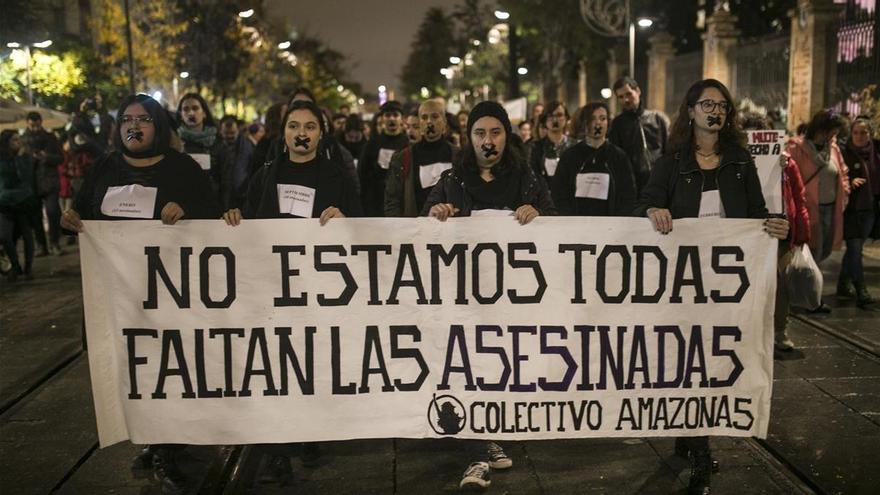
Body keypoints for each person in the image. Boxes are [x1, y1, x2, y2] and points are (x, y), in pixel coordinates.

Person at [59, 94, 220, 493]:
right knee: (135, 368)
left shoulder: (182, 168)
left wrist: (184, 209)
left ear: (159, 126)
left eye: (144, 119)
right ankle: (154, 439)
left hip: (171, 294)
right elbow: (82, 212)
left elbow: (214, 212)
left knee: (169, 367)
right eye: (127, 119)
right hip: (120, 295)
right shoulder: (105, 167)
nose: (135, 126)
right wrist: (71, 219)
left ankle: (170, 446)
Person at [635, 79, 789, 495]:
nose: (715, 111)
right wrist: (653, 210)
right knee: (686, 360)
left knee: (711, 362)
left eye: (722, 105)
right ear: (690, 112)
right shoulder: (671, 163)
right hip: (681, 284)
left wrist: (775, 226)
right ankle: (696, 447)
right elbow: (640, 206)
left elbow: (757, 216)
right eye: (707, 104)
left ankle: (694, 441)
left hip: (724, 287)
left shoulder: (740, 162)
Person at [423, 100, 553, 490]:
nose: (488, 140)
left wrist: (538, 214)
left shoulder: (527, 178)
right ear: (469, 138)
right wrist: (438, 213)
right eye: (480, 133)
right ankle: (477, 453)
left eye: (495, 132)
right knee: (466, 366)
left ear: (506, 136)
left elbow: (556, 223)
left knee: (500, 364)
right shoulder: (452, 179)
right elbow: (425, 221)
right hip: (464, 295)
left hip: (511, 298)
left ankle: (492, 433)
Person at [741, 113, 810, 353]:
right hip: (747, 230)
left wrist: (801, 234)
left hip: (780, 229)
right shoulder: (733, 161)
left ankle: (780, 330)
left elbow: (799, 199)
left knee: (779, 283)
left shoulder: (787, 163)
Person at [787, 110, 850, 313]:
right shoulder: (797, 148)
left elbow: (842, 172)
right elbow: (790, 177)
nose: (833, 137)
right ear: (820, 129)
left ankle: (807, 294)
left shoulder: (833, 149)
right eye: (830, 132)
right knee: (810, 253)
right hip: (808, 209)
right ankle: (810, 298)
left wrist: (845, 190)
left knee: (824, 251)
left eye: (835, 133)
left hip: (831, 209)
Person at [551, 101, 636, 216]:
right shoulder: (570, 156)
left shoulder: (619, 157)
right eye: (592, 118)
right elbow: (559, 193)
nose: (597, 123)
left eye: (603, 118)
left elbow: (628, 195)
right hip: (576, 225)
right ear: (584, 122)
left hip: (610, 226)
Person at [385, 99, 458, 217]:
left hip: (452, 226)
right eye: (424, 117)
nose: (429, 121)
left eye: (435, 117)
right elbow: (392, 200)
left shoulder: (458, 155)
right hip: (416, 229)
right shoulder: (403, 158)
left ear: (444, 122)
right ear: (419, 123)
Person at [839, 117, 878, 307]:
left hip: (870, 208)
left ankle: (842, 283)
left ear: (870, 133)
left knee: (856, 249)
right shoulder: (844, 152)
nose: (859, 136)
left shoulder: (876, 152)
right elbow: (838, 175)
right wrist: (850, 181)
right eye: (855, 132)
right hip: (852, 208)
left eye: (863, 132)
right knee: (855, 249)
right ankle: (861, 288)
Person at [609, 76, 670, 194]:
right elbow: (616, 156)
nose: (625, 100)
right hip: (632, 185)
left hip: (659, 182)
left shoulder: (657, 119)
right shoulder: (618, 124)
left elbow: (667, 150)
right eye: (620, 97)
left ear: (638, 91)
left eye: (628, 94)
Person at [177, 92, 233, 208]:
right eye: (186, 109)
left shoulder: (218, 144)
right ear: (180, 115)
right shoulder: (174, 143)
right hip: (181, 208)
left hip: (212, 206)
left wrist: (225, 208)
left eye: (195, 108)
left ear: (204, 113)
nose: (191, 113)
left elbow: (226, 181)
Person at [21, 111, 64, 255]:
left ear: (41, 123)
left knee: (53, 212)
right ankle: (41, 245)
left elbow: (60, 158)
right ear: (27, 123)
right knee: (35, 216)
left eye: (37, 125)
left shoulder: (50, 137)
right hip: (32, 183)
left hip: (50, 181)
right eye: (32, 125)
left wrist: (47, 157)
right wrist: (31, 158)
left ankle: (54, 243)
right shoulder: (22, 140)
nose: (34, 128)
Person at [359, 101, 409, 217]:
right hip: (375, 203)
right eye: (387, 115)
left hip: (401, 203)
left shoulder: (408, 144)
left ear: (402, 119)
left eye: (395, 115)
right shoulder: (372, 144)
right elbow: (362, 174)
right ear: (382, 119)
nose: (392, 119)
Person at [1, 130, 37, 282]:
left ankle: (28, 268)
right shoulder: (2, 159)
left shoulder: (24, 157)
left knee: (27, 236)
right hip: (5, 202)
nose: (18, 142)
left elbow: (26, 176)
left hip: (23, 201)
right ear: (6, 143)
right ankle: (15, 266)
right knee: (5, 236)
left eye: (18, 139)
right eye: (14, 140)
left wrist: (21, 158)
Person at [529, 101, 574, 185]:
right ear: (545, 120)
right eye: (550, 116)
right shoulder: (536, 147)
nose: (555, 119)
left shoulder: (574, 146)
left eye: (559, 115)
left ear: (566, 118)